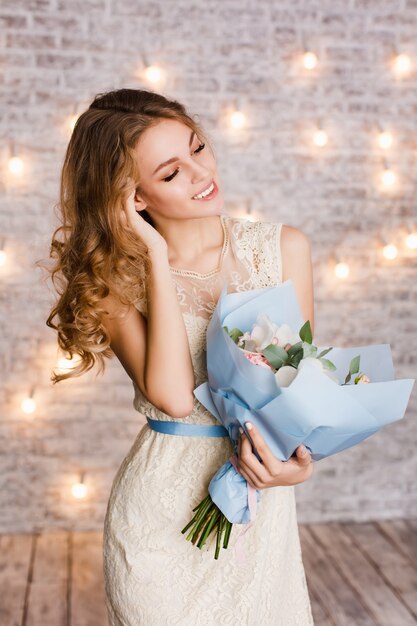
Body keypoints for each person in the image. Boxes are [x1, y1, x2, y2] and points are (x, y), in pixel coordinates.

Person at [45, 88, 315, 625]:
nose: (199, 173)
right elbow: (169, 396)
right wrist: (156, 257)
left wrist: (294, 470)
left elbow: (298, 393)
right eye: (170, 173)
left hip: (256, 515)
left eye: (197, 148)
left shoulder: (283, 249)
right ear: (133, 198)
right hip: (158, 521)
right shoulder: (111, 282)